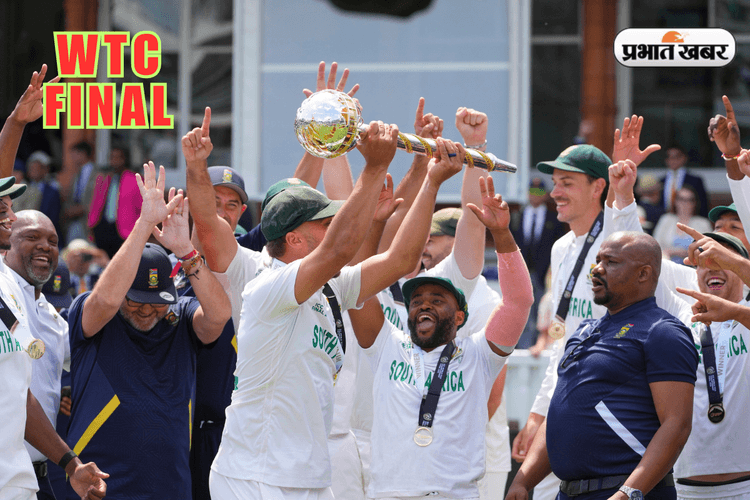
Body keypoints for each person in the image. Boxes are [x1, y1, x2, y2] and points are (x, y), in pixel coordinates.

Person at [186, 104, 465, 497]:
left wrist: (432, 181)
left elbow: (401, 259)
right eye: (324, 223)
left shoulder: (331, 286)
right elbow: (338, 249)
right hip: (255, 476)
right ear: (295, 239)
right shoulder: (268, 286)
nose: (334, 227)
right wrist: (373, 168)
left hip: (310, 476)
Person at [349, 175, 533, 499]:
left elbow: (518, 302)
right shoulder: (387, 345)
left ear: (460, 317)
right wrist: (375, 225)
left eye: (437, 300)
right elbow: (357, 289)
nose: (424, 306)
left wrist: (502, 235)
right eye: (417, 301)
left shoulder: (479, 355)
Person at [512, 116, 659, 500]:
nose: (555, 192)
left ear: (598, 187)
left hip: (614, 410)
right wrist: (538, 414)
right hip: (566, 405)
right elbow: (561, 344)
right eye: (554, 182)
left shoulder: (618, 242)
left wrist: (621, 188)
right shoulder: (561, 248)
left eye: (567, 182)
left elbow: (630, 234)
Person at [65, 162, 231, 499]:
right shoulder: (95, 312)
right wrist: (143, 224)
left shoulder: (182, 315)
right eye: (136, 300)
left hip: (170, 486)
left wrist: (185, 252)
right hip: (99, 486)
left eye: (157, 302)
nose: (145, 309)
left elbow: (219, 315)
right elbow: (106, 299)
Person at [507, 231, 699, 500]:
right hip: (569, 493)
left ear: (643, 274)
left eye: (611, 262)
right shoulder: (584, 331)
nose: (597, 269)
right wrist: (522, 481)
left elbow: (677, 425)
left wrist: (627, 494)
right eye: (597, 260)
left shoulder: (662, 331)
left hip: (624, 492)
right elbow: (562, 413)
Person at [0, 63, 108, 500]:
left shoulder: (11, 293)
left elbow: (17, 394)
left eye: (10, 206)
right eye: (4, 207)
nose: (9, 213)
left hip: (19, 483)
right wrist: (15, 124)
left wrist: (70, 464)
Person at [669, 229, 750, 500]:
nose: (712, 267)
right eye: (703, 261)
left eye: (722, 259)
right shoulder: (682, 316)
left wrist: (734, 311)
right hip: (685, 487)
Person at [4, 211, 70, 500]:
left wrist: (68, 389)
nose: (45, 246)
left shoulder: (54, 319)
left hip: (39, 476)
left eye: (53, 241)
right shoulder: (4, 288)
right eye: (32, 237)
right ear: (6, 241)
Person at [512, 177, 568, 348]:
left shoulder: (555, 218)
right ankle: (523, 346)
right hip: (521, 272)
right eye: (532, 191)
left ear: (545, 194)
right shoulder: (517, 216)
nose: (535, 195)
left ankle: (540, 344)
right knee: (522, 309)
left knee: (542, 309)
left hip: (544, 273)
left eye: (539, 192)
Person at [85, 146, 141, 258]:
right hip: (103, 226)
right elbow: (96, 204)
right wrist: (91, 225)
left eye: (118, 158)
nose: (115, 161)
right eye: (112, 158)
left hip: (124, 230)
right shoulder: (104, 178)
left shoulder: (134, 179)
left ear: (125, 159)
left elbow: (141, 208)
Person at [652, 186, 712, 264]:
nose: (685, 203)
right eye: (681, 199)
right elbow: (655, 244)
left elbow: (708, 248)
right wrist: (670, 252)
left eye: (689, 200)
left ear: (695, 203)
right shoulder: (666, 219)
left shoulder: (703, 223)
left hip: (695, 266)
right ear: (675, 201)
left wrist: (684, 253)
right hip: (668, 264)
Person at [12, 151, 63, 243]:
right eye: (32, 168)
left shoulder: (53, 190)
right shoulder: (25, 188)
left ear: (46, 170)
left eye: (37, 168)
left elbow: (53, 216)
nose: (34, 170)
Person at [660, 145, 709, 217]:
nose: (672, 160)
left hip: (690, 219)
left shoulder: (695, 181)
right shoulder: (661, 181)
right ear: (666, 160)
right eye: (669, 157)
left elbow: (703, 205)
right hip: (667, 219)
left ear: (684, 158)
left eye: (676, 157)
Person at [62, 142, 95, 244]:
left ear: (83, 154)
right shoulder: (76, 173)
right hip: (74, 221)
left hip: (89, 222)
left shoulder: (97, 173)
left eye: (74, 154)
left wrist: (82, 208)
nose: (72, 158)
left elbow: (96, 197)